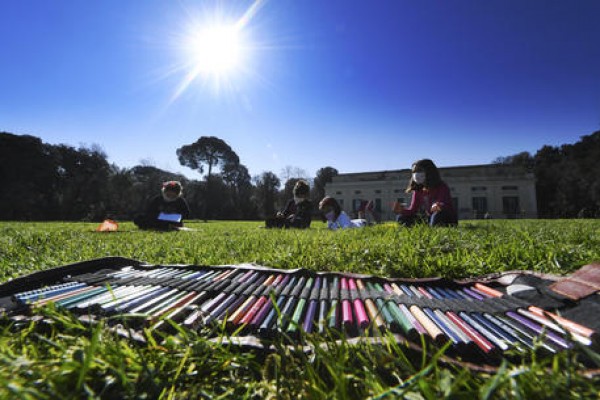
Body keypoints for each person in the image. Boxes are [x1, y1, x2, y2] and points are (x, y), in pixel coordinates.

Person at [394, 159, 458, 227]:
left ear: (429, 172)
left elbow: (444, 203)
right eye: (414, 172)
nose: (416, 174)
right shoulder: (418, 190)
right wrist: (402, 210)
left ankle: (435, 226)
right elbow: (413, 210)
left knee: (437, 215)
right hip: (430, 217)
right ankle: (429, 225)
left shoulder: (441, 186)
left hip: (446, 217)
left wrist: (439, 205)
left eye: (419, 171)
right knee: (401, 217)